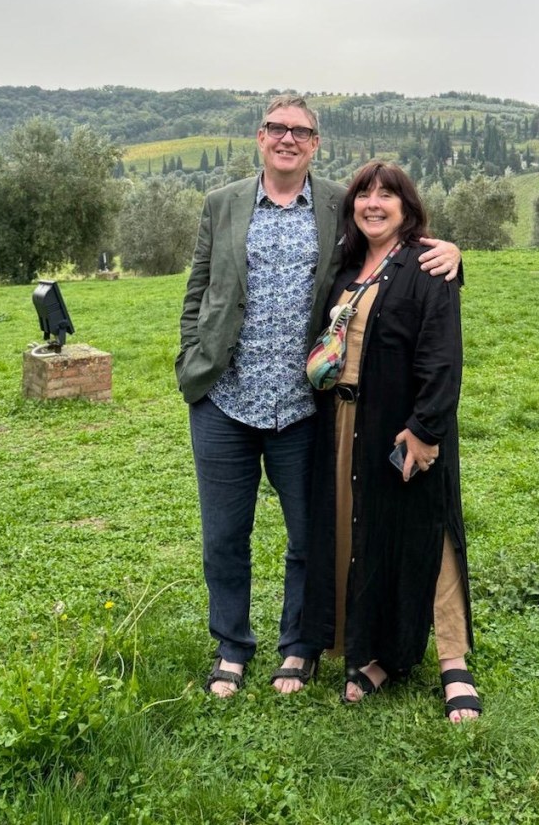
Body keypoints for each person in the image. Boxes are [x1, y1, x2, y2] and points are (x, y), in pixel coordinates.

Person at [176, 96, 462, 698]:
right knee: (225, 536)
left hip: (305, 410)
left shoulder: (339, 203)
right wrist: (190, 362)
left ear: (315, 143)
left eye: (300, 131)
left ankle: (299, 647)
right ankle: (231, 646)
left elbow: (395, 246)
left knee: (309, 538)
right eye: (277, 129)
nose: (287, 138)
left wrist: (454, 257)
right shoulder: (222, 203)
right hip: (224, 402)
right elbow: (198, 288)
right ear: (260, 137)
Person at [300, 161, 481, 722]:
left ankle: (454, 662)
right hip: (345, 422)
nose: (372, 203)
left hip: (406, 425)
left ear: (407, 207)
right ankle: (380, 654)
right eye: (363, 194)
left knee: (430, 534)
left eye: (387, 195)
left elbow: (442, 354)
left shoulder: (427, 264)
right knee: (367, 537)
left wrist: (425, 430)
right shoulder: (347, 267)